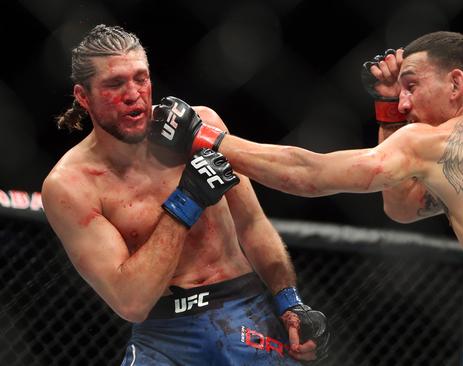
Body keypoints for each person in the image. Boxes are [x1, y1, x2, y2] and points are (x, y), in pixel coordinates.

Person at [172, 31, 463, 365]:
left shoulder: (438, 143)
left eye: (412, 86)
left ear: (456, 84)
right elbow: (403, 207)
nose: (405, 104)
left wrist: (206, 138)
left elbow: (308, 172)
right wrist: (388, 111)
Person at [41, 24, 329, 365]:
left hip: (246, 311)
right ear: (83, 96)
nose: (133, 94)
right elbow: (130, 301)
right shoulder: (70, 185)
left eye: (141, 78)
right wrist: (186, 201)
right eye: (115, 84)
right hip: (163, 336)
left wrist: (289, 302)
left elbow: (252, 225)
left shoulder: (199, 125)